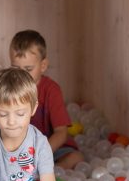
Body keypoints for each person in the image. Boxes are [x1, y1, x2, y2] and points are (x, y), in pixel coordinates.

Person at [8, 30, 85, 170]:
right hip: (21, 150)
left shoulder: (51, 90)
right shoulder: (9, 90)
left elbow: (61, 133)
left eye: (28, 69)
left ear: (43, 66)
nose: (21, 76)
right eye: (15, 68)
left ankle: (53, 171)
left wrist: (40, 154)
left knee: (76, 158)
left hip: (51, 147)